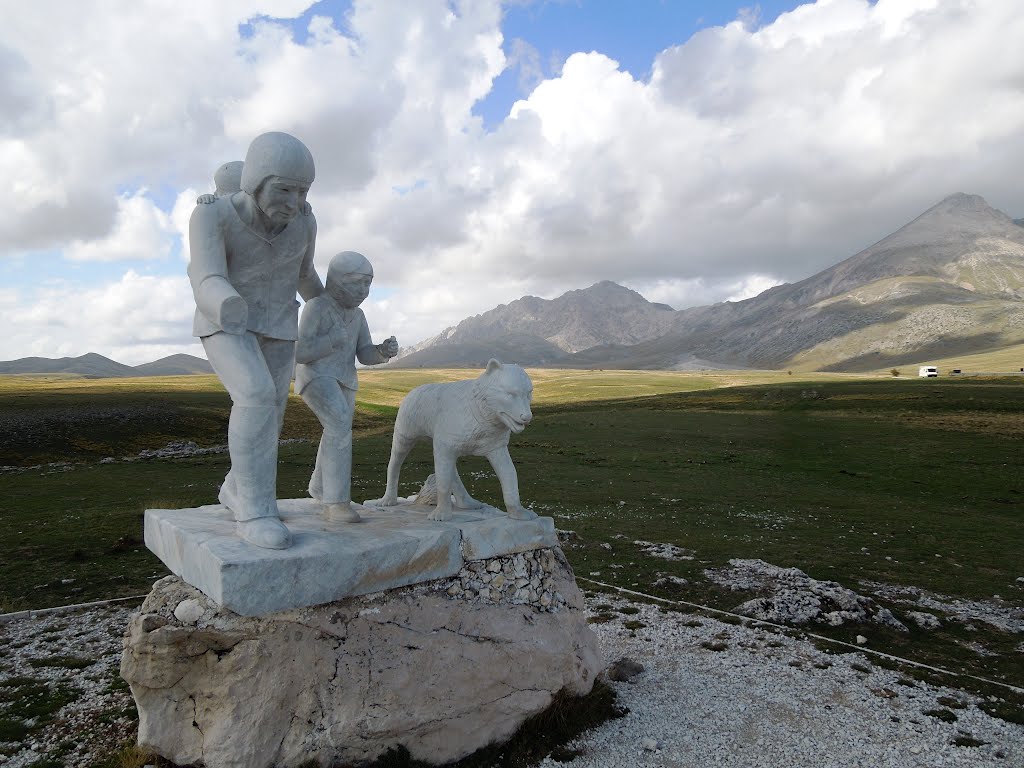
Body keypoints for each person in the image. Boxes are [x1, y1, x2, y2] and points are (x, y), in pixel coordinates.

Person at [187, 131, 323, 549]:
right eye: (284, 189)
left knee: (273, 415)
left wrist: (333, 303)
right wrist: (224, 300)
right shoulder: (214, 215)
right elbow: (205, 273)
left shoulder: (304, 221)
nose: (294, 202)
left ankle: (237, 487)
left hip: (281, 326)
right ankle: (255, 509)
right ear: (257, 181)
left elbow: (305, 275)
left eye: (301, 192)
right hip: (226, 323)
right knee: (256, 395)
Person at [295, 251, 398, 522]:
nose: (364, 291)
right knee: (339, 423)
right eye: (358, 283)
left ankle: (319, 486)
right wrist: (330, 339)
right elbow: (300, 352)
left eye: (368, 284)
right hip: (316, 376)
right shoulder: (316, 307)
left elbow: (363, 353)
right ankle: (336, 503)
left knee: (336, 428)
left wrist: (382, 352)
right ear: (337, 281)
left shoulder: (359, 315)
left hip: (345, 379)